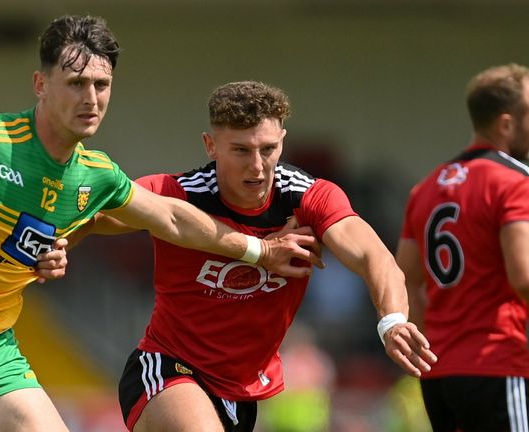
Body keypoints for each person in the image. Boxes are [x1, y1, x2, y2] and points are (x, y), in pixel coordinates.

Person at [0, 16, 324, 432]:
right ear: (40, 84)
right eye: (76, 83)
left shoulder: (96, 175)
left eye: (101, 84)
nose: (91, 98)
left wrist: (259, 251)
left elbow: (172, 217)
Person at [80, 80, 437, 432]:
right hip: (169, 368)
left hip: (241, 394)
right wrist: (53, 244)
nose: (256, 166)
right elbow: (91, 218)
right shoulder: (176, 194)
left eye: (267, 149)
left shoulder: (309, 198)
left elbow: (375, 257)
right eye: (240, 150)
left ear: (282, 142)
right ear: (210, 146)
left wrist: (391, 321)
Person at [395, 63, 529, 431]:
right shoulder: (514, 181)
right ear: (506, 124)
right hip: (496, 362)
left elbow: (406, 278)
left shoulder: (425, 189)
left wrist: (431, 351)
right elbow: (524, 277)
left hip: (439, 374)